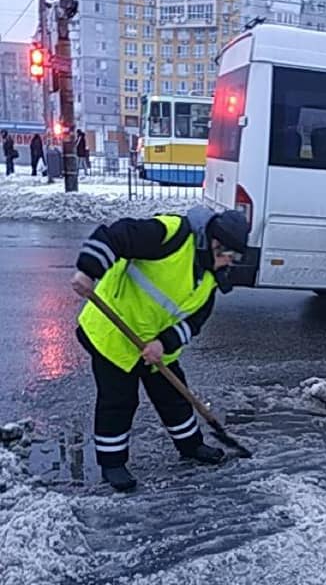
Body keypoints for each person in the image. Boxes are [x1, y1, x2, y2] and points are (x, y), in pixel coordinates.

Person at [71, 205, 249, 492]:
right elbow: (115, 236)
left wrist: (163, 344)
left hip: (153, 344)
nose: (230, 263)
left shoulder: (209, 280)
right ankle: (112, 463)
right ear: (214, 244)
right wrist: (87, 271)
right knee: (119, 400)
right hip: (112, 334)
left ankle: (191, 446)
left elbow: (193, 323)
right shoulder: (170, 234)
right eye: (229, 255)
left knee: (174, 395)